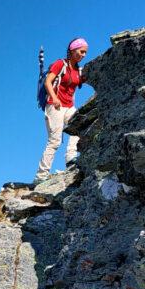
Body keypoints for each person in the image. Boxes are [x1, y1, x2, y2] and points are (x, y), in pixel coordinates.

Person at [34, 37, 87, 184]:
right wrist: (54, 97)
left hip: (69, 106)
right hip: (55, 105)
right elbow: (47, 82)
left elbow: (82, 81)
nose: (83, 55)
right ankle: (41, 176)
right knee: (55, 141)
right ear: (72, 50)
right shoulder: (60, 64)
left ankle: (71, 157)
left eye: (85, 53)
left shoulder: (78, 70)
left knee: (79, 126)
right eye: (81, 51)